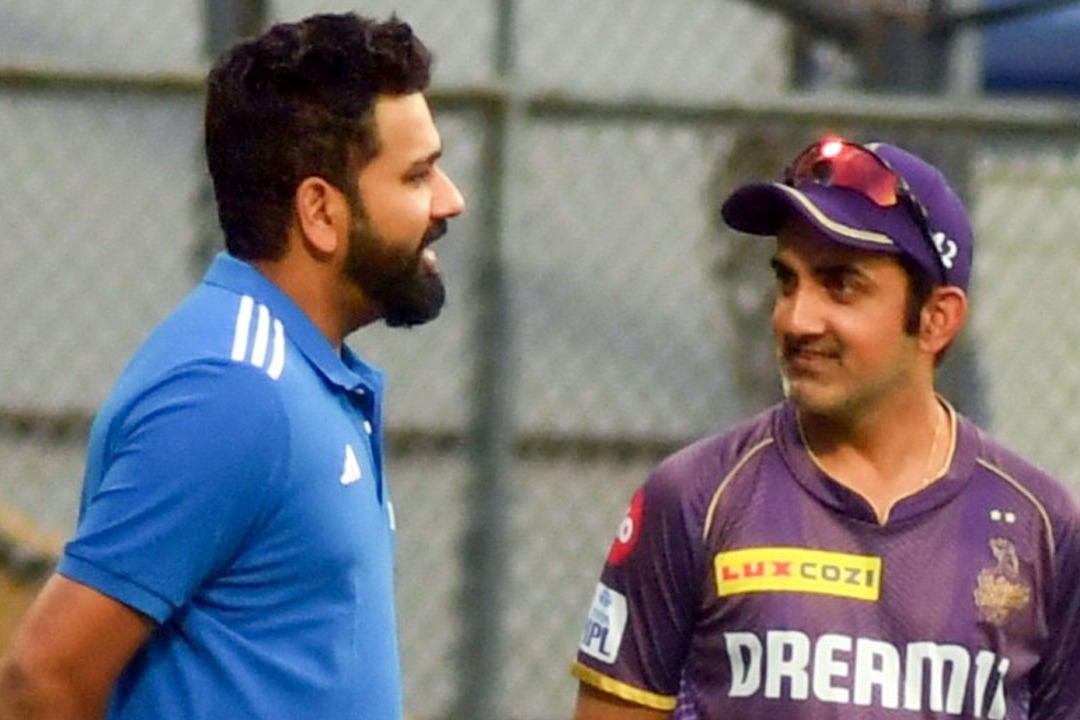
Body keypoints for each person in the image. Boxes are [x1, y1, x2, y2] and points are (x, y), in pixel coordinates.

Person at [0, 11, 464, 720]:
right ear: (320, 211)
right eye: (418, 174)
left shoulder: (301, 376)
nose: (450, 199)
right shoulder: (235, 391)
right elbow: (43, 679)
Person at [570, 137, 1080, 719]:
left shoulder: (1041, 527)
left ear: (936, 318)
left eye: (841, 285)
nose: (796, 319)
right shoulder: (696, 499)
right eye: (788, 281)